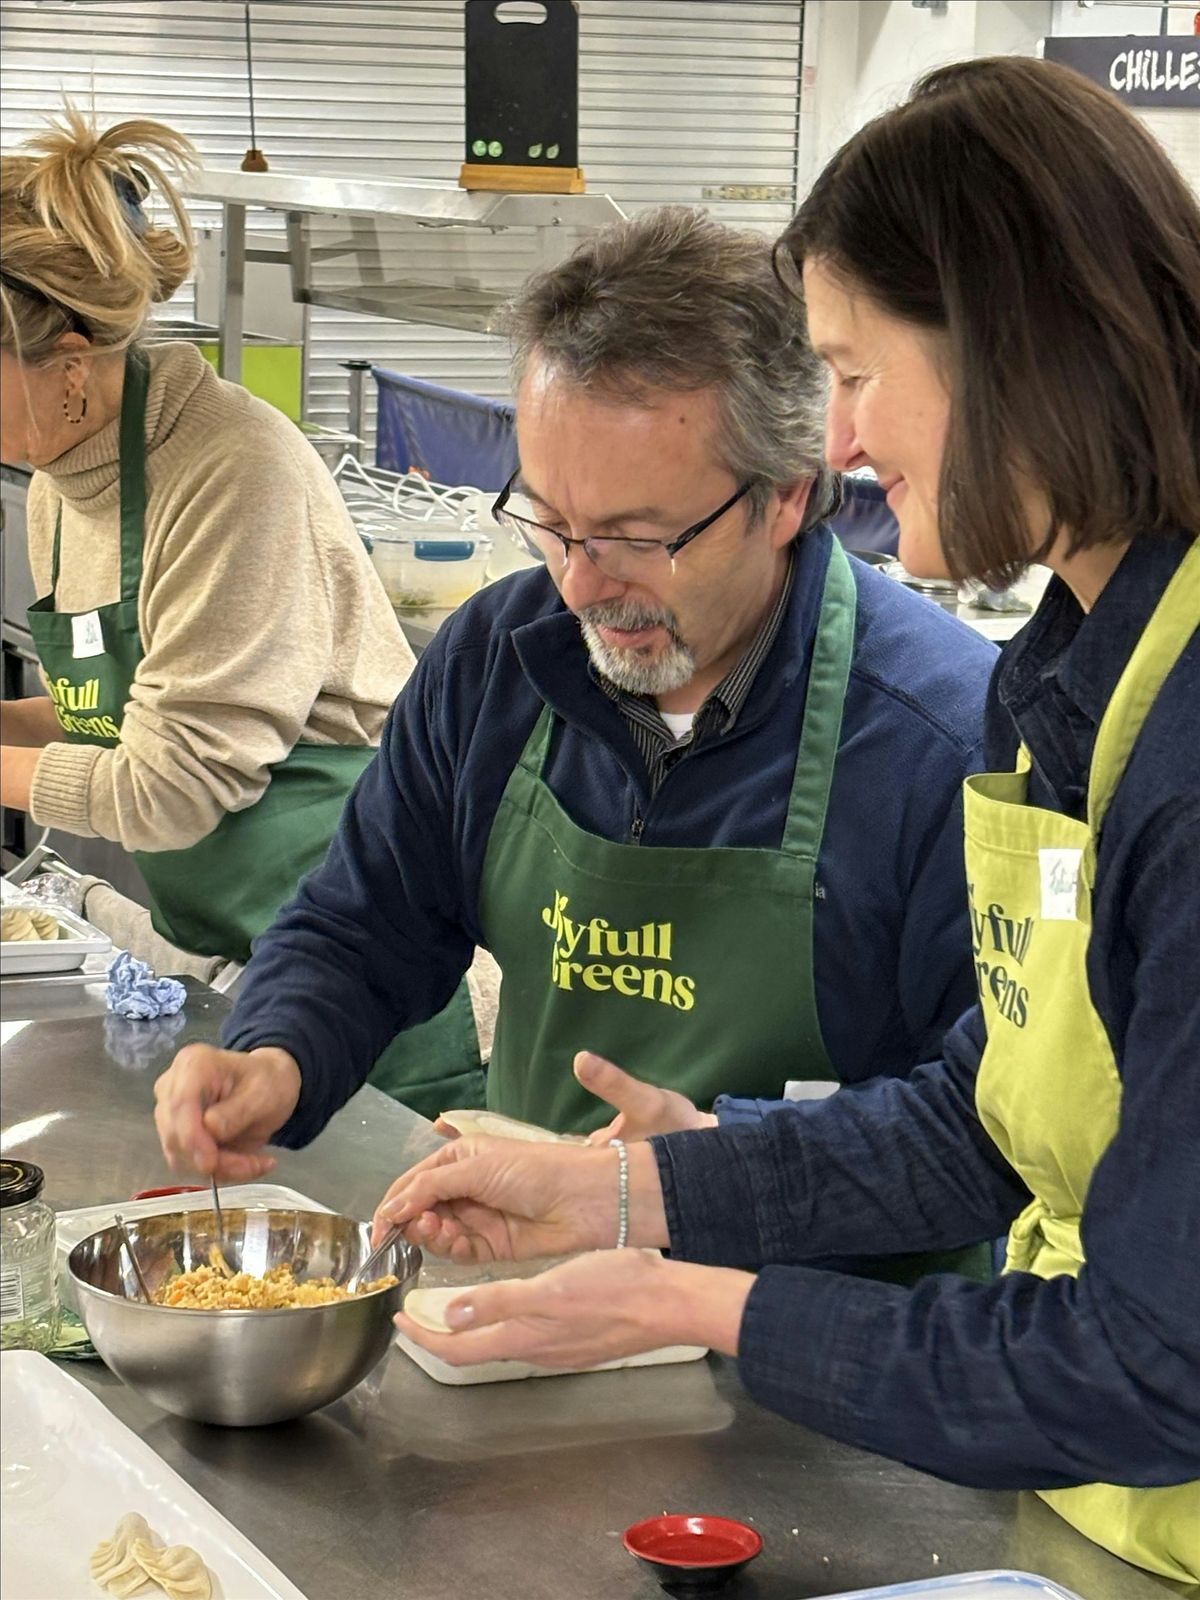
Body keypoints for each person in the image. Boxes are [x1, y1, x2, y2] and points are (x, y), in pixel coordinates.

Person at [370, 58, 1200, 1585]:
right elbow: (982, 1117)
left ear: (1016, 348)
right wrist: (615, 1187)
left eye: (859, 372)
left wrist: (696, 1302)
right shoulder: (1083, 676)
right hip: (1092, 1516)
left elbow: (1158, 1364)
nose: (846, 444)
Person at [154, 204, 1000, 1234]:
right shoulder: (496, 662)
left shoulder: (946, 741)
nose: (582, 586)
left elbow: (981, 1132)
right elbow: (366, 921)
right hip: (531, 1302)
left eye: (639, 537)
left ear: (787, 495)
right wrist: (276, 1054)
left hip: (821, 1352)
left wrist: (715, 1172)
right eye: (552, 522)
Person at [0, 108, 479, 1111]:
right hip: (246, 953)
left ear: (71, 363)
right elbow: (120, 714)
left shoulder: (229, 470)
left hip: (373, 965)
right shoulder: (58, 484)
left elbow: (172, 786)